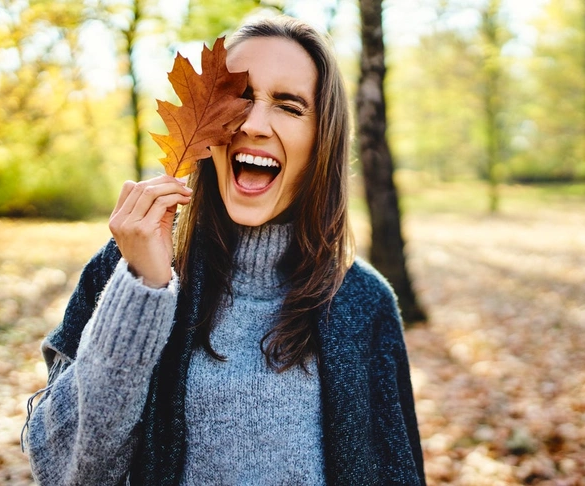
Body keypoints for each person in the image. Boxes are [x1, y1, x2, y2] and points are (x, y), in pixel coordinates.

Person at [24, 15, 425, 486]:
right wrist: (142, 290)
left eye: (290, 107)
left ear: (323, 142)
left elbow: (398, 470)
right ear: (205, 123)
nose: (254, 123)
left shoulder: (364, 301)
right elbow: (65, 472)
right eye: (239, 98)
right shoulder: (122, 270)